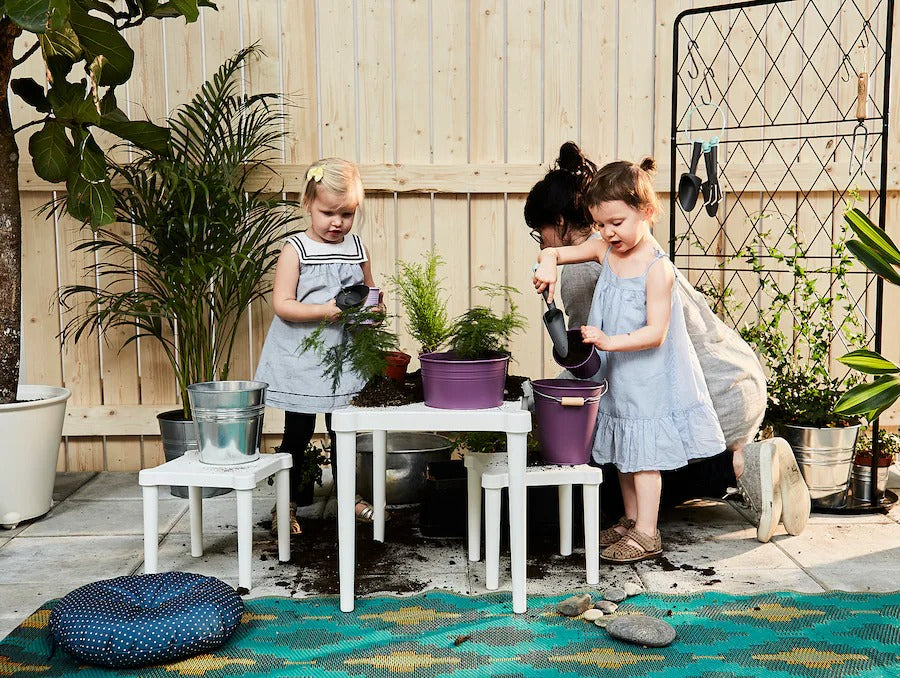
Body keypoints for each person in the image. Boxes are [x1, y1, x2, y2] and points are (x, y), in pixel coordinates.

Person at [526, 145, 808, 546]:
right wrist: (549, 258)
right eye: (600, 224)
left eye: (541, 233)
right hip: (724, 377)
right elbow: (564, 270)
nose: (607, 232)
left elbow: (586, 358)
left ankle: (739, 466)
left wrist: (541, 398)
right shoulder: (610, 248)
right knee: (624, 451)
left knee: (635, 463)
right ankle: (640, 518)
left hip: (706, 393)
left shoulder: (629, 267)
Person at [255, 157, 380, 534]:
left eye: (347, 214)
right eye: (328, 212)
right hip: (305, 358)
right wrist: (324, 311)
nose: (337, 222)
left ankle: (350, 496)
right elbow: (282, 304)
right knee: (298, 431)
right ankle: (286, 503)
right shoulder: (296, 250)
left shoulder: (357, 248)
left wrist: (374, 308)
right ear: (308, 202)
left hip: (344, 354)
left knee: (345, 428)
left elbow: (368, 291)